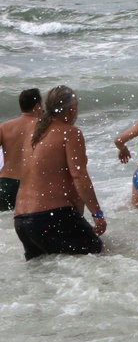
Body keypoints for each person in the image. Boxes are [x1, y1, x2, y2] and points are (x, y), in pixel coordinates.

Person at [13, 86, 106, 260]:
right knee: (101, 255)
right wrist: (97, 215)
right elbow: (79, 176)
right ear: (71, 109)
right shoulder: (70, 133)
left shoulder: (32, 134)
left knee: (45, 272)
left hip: (22, 222)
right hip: (50, 218)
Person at [0, 89, 42, 211]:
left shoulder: (4, 127)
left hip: (5, 184)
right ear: (38, 106)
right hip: (30, 185)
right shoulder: (44, 127)